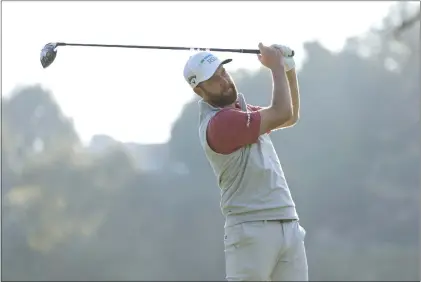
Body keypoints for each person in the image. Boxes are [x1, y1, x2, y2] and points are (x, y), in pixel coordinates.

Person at [183, 43, 308, 281]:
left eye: (223, 72)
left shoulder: (242, 113)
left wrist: (288, 68)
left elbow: (290, 116)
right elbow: (281, 112)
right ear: (199, 90)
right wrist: (276, 68)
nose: (225, 81)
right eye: (214, 79)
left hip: (287, 221)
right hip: (251, 228)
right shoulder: (221, 123)